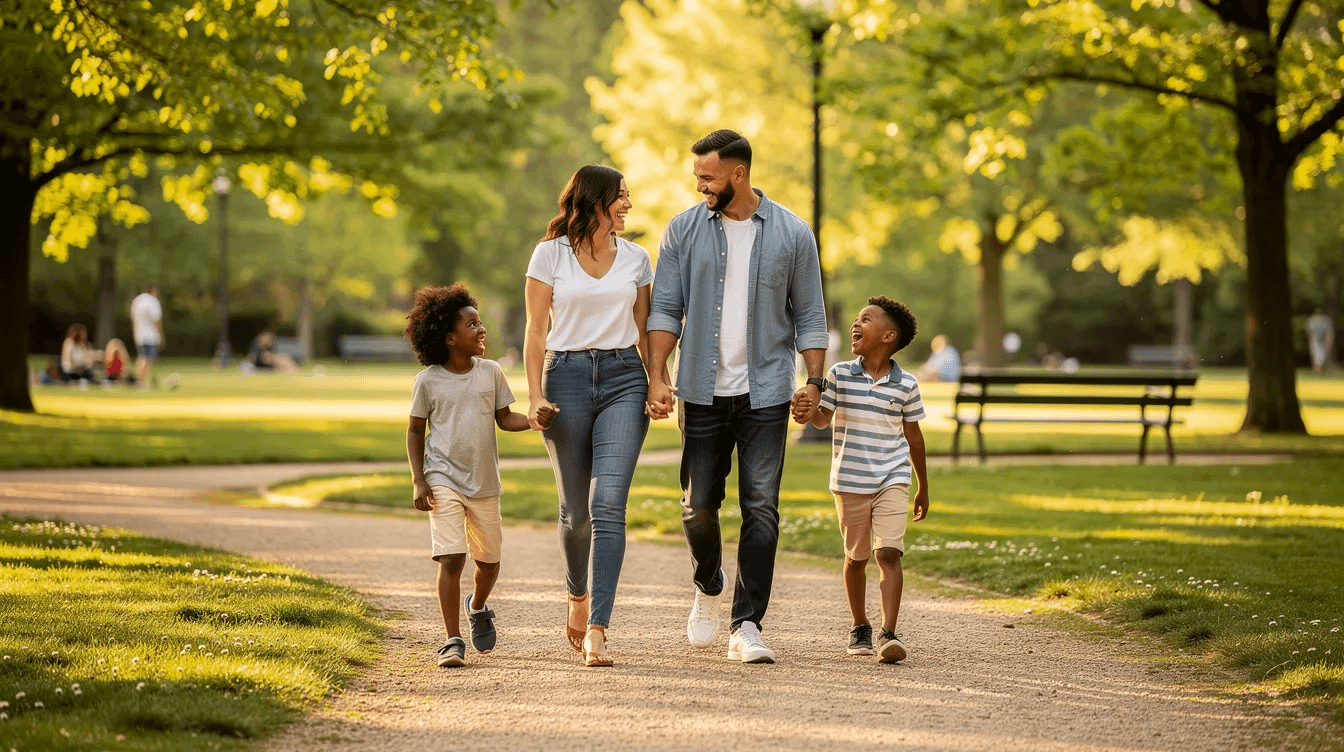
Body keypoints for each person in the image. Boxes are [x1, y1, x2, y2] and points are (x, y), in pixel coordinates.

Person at [646, 129, 828, 664]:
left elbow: (811, 316)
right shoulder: (682, 230)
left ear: (738, 174)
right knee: (698, 507)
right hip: (701, 390)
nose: (700, 185)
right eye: (698, 176)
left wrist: (813, 382)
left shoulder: (793, 233)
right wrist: (658, 375)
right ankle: (708, 582)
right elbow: (664, 310)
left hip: (767, 392)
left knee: (761, 509)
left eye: (708, 176)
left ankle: (747, 622)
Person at [524, 164, 653, 668]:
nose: (627, 205)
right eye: (620, 196)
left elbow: (645, 331)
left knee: (609, 504)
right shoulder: (549, 254)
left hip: (624, 378)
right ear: (595, 199)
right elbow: (536, 332)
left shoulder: (638, 258)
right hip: (567, 379)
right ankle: (577, 595)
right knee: (575, 513)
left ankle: (599, 625)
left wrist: (659, 381)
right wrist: (534, 395)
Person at [404, 283, 537, 668]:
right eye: (472, 324)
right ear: (448, 337)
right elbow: (415, 431)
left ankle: (477, 605)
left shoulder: (491, 373)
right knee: (451, 559)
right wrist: (419, 479)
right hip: (442, 477)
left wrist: (532, 419)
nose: (482, 330)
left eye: (480, 322)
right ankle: (452, 639)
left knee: (490, 563)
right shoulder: (427, 381)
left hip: (484, 482)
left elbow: (505, 419)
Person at [794, 296, 929, 664]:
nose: (856, 323)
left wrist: (922, 487)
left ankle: (889, 632)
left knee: (888, 552)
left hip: (892, 477)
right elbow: (822, 419)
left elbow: (914, 438)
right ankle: (860, 625)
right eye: (857, 319)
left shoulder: (907, 384)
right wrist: (806, 412)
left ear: (888, 336)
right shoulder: (839, 374)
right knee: (856, 558)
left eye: (865, 319)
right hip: (850, 479)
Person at [130, 282, 164, 389]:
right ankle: (141, 382)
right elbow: (156, 320)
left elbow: (134, 319)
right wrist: (161, 335)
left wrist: (135, 333)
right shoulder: (153, 301)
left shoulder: (137, 301)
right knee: (148, 359)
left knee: (141, 357)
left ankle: (139, 380)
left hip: (139, 335)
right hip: (150, 335)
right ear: (153, 290)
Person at [1307, 308, 1335, 374]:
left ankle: (1319, 370)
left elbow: (1329, 332)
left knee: (1322, 357)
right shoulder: (1312, 321)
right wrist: (1310, 342)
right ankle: (1317, 371)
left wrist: (1329, 341)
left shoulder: (1326, 320)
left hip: (1324, 341)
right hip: (1315, 341)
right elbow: (1310, 333)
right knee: (1317, 357)